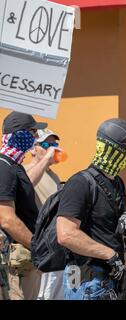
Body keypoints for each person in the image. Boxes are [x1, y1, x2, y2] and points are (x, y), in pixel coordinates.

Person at [56, 118, 126, 300]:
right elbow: (66, 234)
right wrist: (108, 254)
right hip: (86, 282)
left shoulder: (117, 182)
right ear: (114, 147)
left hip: (110, 280)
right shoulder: (80, 183)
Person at [0, 112, 51, 300]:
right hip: (14, 263)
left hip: (25, 260)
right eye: (32, 132)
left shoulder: (14, 166)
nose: (35, 138)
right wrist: (38, 246)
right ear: (19, 135)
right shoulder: (4, 167)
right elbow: (6, 219)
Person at [24, 129, 64, 300]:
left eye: (55, 144)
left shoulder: (53, 175)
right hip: (36, 247)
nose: (52, 149)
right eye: (46, 145)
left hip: (53, 248)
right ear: (33, 149)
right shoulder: (25, 170)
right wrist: (47, 157)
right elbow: (26, 184)